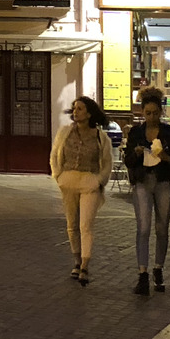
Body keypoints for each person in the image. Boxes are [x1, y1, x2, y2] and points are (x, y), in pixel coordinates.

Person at [122, 87, 170, 295]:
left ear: (161, 112)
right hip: (142, 181)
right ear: (142, 113)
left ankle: (158, 268)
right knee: (143, 228)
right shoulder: (136, 133)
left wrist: (166, 157)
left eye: (155, 113)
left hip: (163, 181)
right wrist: (137, 153)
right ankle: (142, 274)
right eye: (147, 113)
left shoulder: (169, 133)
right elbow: (128, 160)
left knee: (162, 228)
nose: (151, 117)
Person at [48, 96, 114, 286]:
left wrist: (99, 180)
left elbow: (106, 162)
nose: (76, 112)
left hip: (89, 182)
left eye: (80, 109)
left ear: (90, 113)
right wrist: (58, 175)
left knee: (86, 225)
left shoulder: (100, 137)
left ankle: (85, 264)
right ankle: (76, 261)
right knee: (72, 224)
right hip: (68, 180)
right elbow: (55, 154)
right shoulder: (65, 132)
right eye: (74, 108)